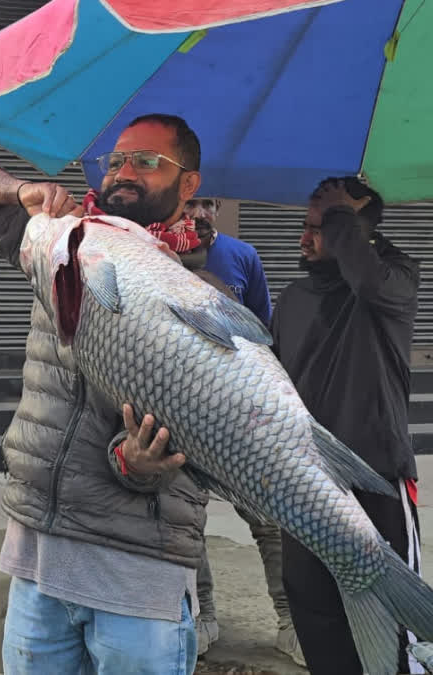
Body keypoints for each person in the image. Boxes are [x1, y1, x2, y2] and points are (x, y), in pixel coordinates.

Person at [0, 113, 219, 674]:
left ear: (189, 184)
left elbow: (189, 446)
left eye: (147, 161)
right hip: (39, 553)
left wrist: (140, 463)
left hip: (137, 573)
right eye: (116, 159)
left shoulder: (200, 295)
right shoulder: (63, 242)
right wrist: (24, 191)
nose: (124, 172)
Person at [271, 177, 422, 675]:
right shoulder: (292, 298)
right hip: (306, 485)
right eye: (307, 226)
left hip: (376, 480)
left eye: (321, 227)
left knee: (389, 619)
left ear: (358, 228)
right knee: (318, 614)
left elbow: (370, 281)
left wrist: (341, 216)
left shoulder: (395, 277)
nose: (304, 238)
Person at [182, 198, 299, 663]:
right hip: (173, 406)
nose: (200, 211)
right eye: (191, 203)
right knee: (186, 520)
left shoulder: (242, 255)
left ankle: (290, 621)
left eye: (208, 203)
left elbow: (262, 333)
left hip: (236, 410)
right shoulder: (147, 249)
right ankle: (202, 614)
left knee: (269, 519)